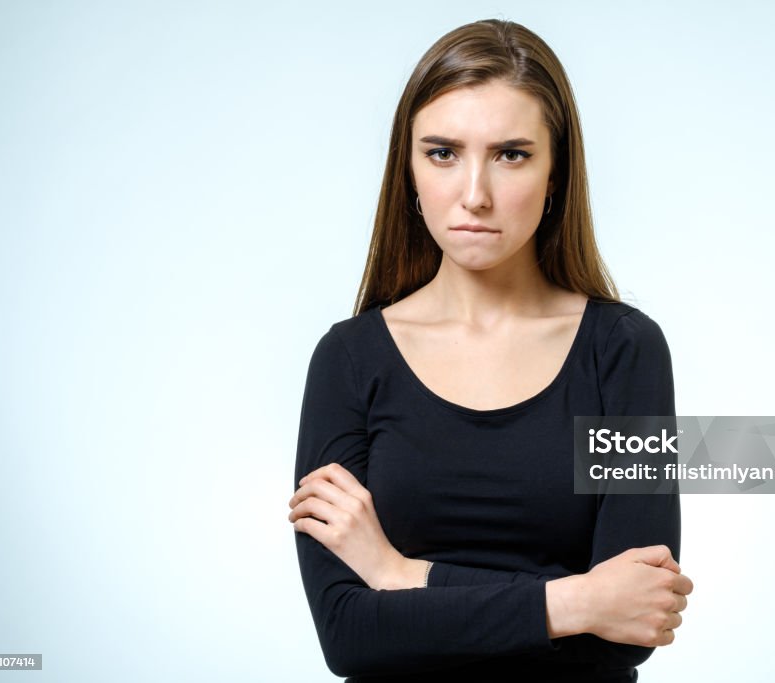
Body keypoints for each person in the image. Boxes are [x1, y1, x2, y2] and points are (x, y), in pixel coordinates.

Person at [287, 18, 693, 682]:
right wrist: (575, 598)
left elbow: (631, 628)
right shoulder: (349, 360)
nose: (474, 193)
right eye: (443, 152)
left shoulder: (623, 352)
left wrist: (401, 572)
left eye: (511, 153)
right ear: (409, 168)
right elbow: (349, 635)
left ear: (556, 169)